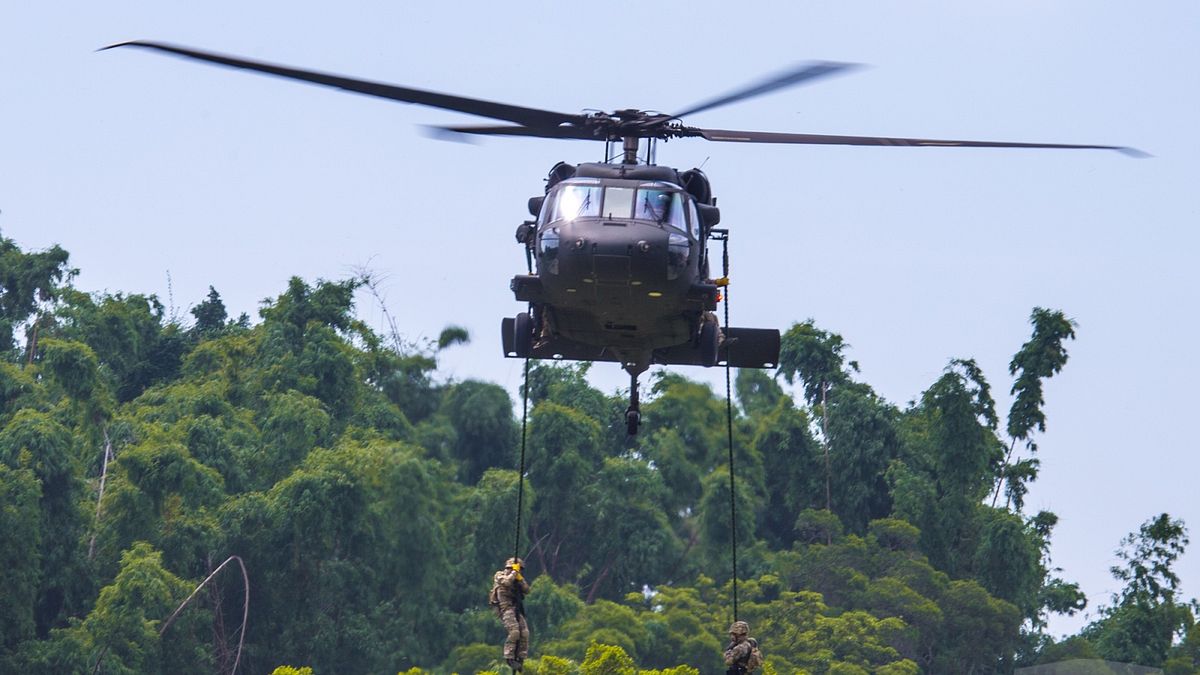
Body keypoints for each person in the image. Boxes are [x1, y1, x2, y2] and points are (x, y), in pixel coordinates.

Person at [490, 557, 531, 671]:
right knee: (514, 631)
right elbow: (506, 582)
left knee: (525, 632)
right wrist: (513, 572)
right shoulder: (499, 575)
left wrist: (520, 579)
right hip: (505, 609)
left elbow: (527, 590)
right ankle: (509, 657)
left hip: (515, 608)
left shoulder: (517, 579)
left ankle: (521, 657)